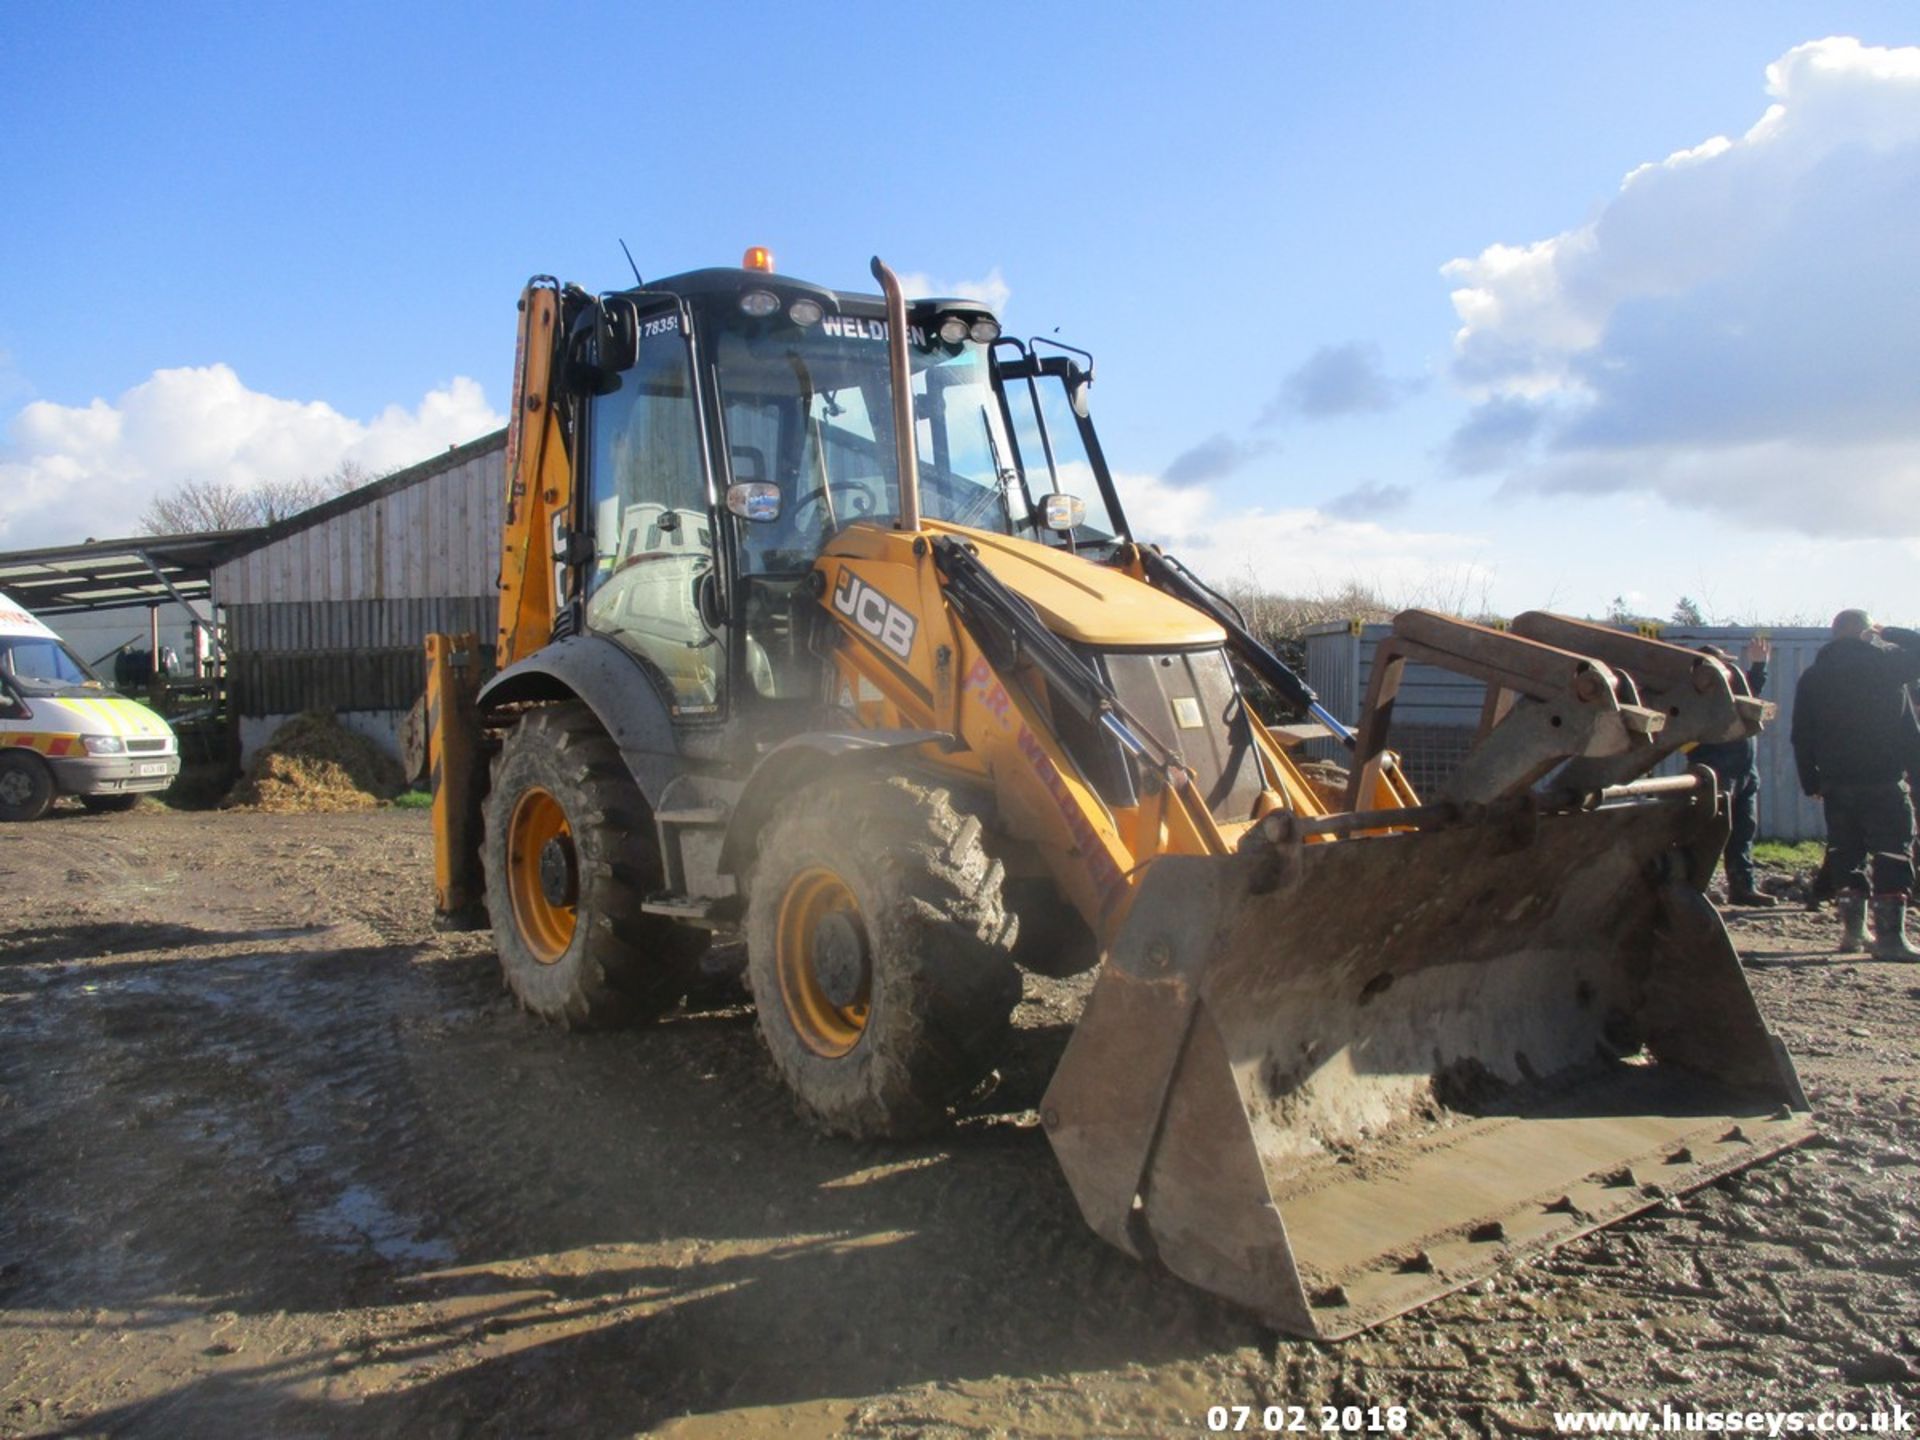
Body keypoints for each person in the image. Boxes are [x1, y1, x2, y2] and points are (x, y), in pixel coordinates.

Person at [1790, 610, 1920, 959]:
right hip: (1883, 779)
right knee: (1892, 850)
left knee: (1846, 853)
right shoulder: (1887, 666)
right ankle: (1891, 940)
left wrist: (1811, 781)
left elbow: (1801, 735)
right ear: (1866, 633)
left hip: (1837, 783)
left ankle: (1853, 933)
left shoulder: (1813, 676)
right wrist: (1886, 631)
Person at [1694, 637, 1775, 906]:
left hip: (1744, 770)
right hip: (1717, 772)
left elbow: (1749, 693)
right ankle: (1696, 887)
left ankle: (1742, 887)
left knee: (1743, 830)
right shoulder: (1695, 696)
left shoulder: (1731, 693)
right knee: (1709, 831)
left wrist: (1759, 665)